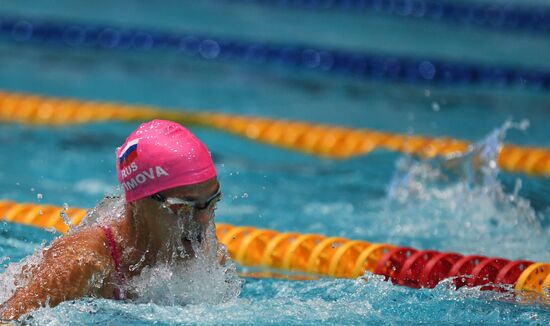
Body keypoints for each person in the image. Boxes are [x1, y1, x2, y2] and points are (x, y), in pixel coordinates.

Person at [0, 119, 229, 320]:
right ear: (138, 202)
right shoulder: (84, 261)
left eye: (212, 202)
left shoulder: (208, 259)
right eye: (183, 207)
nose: (204, 218)